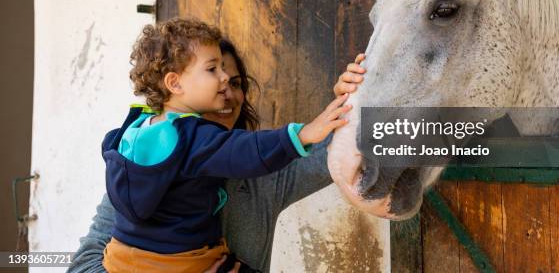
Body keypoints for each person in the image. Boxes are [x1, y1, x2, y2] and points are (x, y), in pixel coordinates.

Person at [67, 25, 367, 273]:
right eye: (213, 72)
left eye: (235, 82)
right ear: (176, 86)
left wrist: (356, 99)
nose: (226, 89)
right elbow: (82, 266)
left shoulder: (267, 177)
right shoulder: (142, 172)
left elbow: (371, 141)